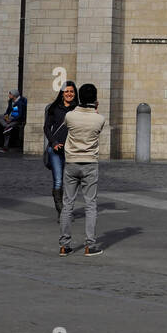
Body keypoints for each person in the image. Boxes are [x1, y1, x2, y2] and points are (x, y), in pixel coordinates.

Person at [60, 82, 106, 256]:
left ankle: (64, 245)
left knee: (68, 204)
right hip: (90, 164)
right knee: (90, 204)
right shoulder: (99, 118)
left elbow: (68, 124)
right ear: (95, 99)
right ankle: (90, 245)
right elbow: (96, 128)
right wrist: (95, 110)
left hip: (71, 162)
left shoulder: (70, 116)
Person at [44, 81, 78, 218]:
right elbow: (46, 128)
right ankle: (62, 211)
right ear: (62, 94)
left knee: (70, 182)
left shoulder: (78, 109)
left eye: (71, 91)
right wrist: (54, 143)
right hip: (56, 149)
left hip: (72, 150)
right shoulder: (54, 108)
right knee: (58, 180)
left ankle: (66, 208)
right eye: (67, 91)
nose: (69, 94)